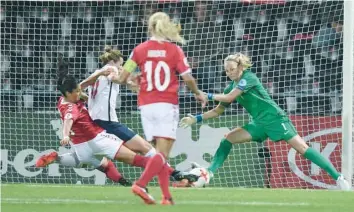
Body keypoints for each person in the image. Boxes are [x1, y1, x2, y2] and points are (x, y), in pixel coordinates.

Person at [179, 53, 351, 191]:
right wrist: (196, 118)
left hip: (275, 119)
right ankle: (209, 172)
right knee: (228, 139)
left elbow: (230, 97)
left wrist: (206, 95)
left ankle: (338, 178)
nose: (229, 73)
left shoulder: (249, 77)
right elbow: (218, 110)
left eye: (231, 69)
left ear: (240, 67)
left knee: (302, 148)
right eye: (226, 71)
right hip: (258, 123)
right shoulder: (229, 87)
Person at [112, 12, 207, 205]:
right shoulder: (174, 51)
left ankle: (166, 196)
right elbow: (187, 77)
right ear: (167, 26)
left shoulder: (139, 50)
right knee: (162, 154)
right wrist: (198, 93)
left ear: (150, 26)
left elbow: (122, 78)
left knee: (157, 153)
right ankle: (141, 184)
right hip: (166, 104)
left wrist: (132, 80)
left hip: (146, 105)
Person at [37, 56, 170, 190]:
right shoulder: (71, 108)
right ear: (67, 92)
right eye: (76, 92)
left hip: (80, 144)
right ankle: (169, 172)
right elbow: (68, 120)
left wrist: (96, 78)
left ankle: (57, 158)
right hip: (97, 138)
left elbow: (82, 89)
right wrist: (65, 135)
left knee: (98, 164)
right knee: (134, 158)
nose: (79, 93)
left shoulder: (63, 100)